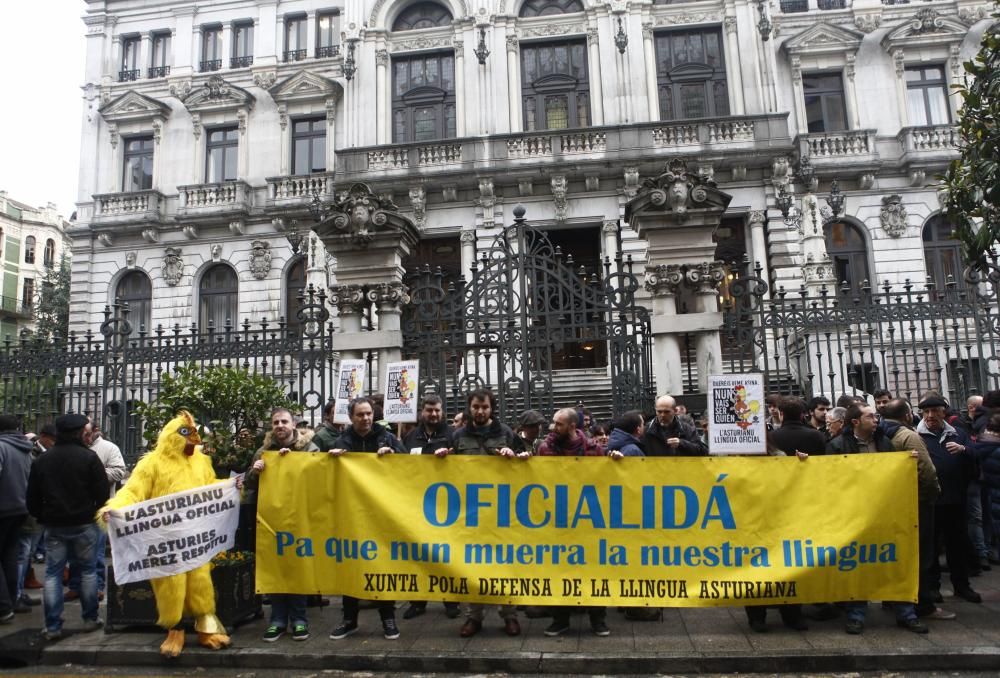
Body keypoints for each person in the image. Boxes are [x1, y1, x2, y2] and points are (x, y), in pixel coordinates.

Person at [439, 389, 528, 638]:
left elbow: (527, 463)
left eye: (485, 407)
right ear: (470, 408)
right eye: (476, 407)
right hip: (471, 514)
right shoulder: (458, 436)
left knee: (504, 565)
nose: (480, 411)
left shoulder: (507, 433)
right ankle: (473, 617)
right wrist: (444, 457)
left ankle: (509, 615)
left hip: (502, 512)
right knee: (473, 566)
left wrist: (516, 457)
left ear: (492, 408)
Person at [328, 398, 406, 641]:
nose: (365, 418)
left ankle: (388, 617)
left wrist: (393, 454)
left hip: (381, 514)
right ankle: (349, 619)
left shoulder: (387, 437)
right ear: (351, 417)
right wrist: (330, 459)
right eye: (360, 414)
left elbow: (410, 466)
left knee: (381, 565)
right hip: (352, 515)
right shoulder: (342, 441)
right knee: (352, 565)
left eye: (369, 413)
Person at [26, 414, 109, 640]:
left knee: (52, 574)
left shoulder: (43, 460)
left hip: (54, 524)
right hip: (84, 522)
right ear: (81, 432)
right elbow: (102, 494)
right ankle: (90, 618)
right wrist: (93, 511)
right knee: (88, 571)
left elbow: (32, 497)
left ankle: (52, 625)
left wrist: (43, 515)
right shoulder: (89, 458)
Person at [247, 408, 319, 642]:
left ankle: (299, 619)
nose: (280, 425)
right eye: (276, 422)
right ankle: (277, 620)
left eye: (284, 421)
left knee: (297, 567)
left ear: (294, 424)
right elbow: (248, 483)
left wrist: (296, 463)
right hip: (271, 519)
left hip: (300, 517)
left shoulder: (310, 448)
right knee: (275, 568)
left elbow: (319, 473)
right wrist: (255, 471)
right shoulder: (263, 451)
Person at [536, 408, 610, 636]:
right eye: (553, 423)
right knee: (559, 570)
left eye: (558, 424)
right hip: (558, 519)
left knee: (593, 570)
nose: (552, 427)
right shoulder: (545, 448)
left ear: (571, 426)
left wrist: (616, 462)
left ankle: (598, 619)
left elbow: (607, 477)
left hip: (588, 519)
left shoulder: (593, 449)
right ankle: (560, 619)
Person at [880, 398, 954, 622]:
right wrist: (932, 495)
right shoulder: (908, 436)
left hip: (889, 504)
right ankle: (923, 604)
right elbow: (927, 472)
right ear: (907, 415)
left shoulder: (879, 436)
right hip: (916, 504)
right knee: (921, 555)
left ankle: (893, 598)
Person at [400, 395, 460, 621]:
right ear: (421, 412)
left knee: (448, 555)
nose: (433, 414)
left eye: (437, 410)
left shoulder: (453, 436)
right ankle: (417, 601)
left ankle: (451, 601)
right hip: (417, 505)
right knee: (420, 556)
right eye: (429, 410)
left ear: (442, 412)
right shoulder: (410, 436)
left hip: (446, 507)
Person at [917, 395, 981, 605]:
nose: (930, 416)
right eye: (926, 412)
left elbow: (976, 454)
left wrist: (964, 450)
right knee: (932, 547)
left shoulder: (958, 433)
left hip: (956, 499)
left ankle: (962, 585)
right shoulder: (918, 436)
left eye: (935, 411)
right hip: (931, 501)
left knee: (958, 545)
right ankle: (933, 587)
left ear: (944, 411)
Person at [66, 424, 126, 602]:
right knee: (74, 553)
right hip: (74, 507)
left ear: (94, 432)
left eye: (87, 432)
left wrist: (94, 475)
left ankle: (98, 587)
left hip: (99, 508)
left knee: (97, 552)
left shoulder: (109, 448)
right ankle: (75, 586)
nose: (85, 435)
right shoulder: (72, 449)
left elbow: (119, 471)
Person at [0, 415, 32, 623]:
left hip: (2, 509)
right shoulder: (25, 448)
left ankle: (3, 608)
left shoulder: (1, 447)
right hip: (20, 508)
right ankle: (12, 600)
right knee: (10, 557)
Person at [643, 395, 707, 456]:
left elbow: (700, 451)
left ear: (675, 411)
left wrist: (681, 443)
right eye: (659, 412)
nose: (662, 415)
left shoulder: (686, 429)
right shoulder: (647, 430)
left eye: (667, 412)